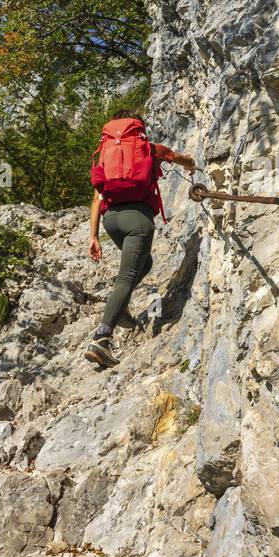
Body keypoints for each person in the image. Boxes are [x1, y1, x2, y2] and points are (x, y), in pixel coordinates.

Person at [85, 110, 195, 367]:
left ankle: (119, 309)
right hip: (138, 221)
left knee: (143, 264)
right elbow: (180, 158)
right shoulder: (149, 148)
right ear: (138, 128)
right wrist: (191, 164)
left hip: (111, 220)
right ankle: (102, 337)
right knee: (126, 276)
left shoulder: (106, 156)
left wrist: (93, 236)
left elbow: (96, 198)